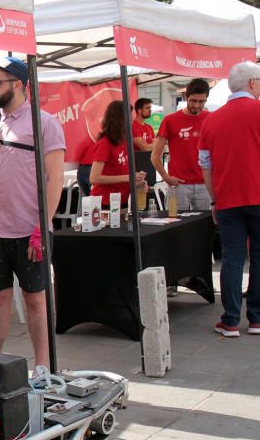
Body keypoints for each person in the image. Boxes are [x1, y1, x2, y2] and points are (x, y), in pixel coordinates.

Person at [0, 56, 65, 379]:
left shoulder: (44, 123)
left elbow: (55, 180)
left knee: (36, 299)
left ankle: (42, 366)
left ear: (18, 85)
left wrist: (41, 229)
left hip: (28, 229)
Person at [198, 61, 260, 338]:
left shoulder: (211, 119)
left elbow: (205, 166)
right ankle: (257, 319)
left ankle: (231, 320)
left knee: (232, 258)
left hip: (228, 200)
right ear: (252, 83)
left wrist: (214, 201)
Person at [151, 79, 212, 209]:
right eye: (193, 101)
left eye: (201, 101)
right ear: (186, 97)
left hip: (205, 184)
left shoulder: (211, 119)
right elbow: (155, 156)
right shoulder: (170, 120)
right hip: (179, 184)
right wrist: (165, 176)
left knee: (206, 227)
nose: (197, 105)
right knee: (175, 225)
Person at [90, 100, 147, 207]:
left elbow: (122, 172)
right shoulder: (104, 143)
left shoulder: (125, 141)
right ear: (119, 119)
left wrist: (138, 182)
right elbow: (94, 178)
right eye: (129, 118)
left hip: (122, 200)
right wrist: (128, 177)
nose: (131, 121)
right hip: (104, 202)